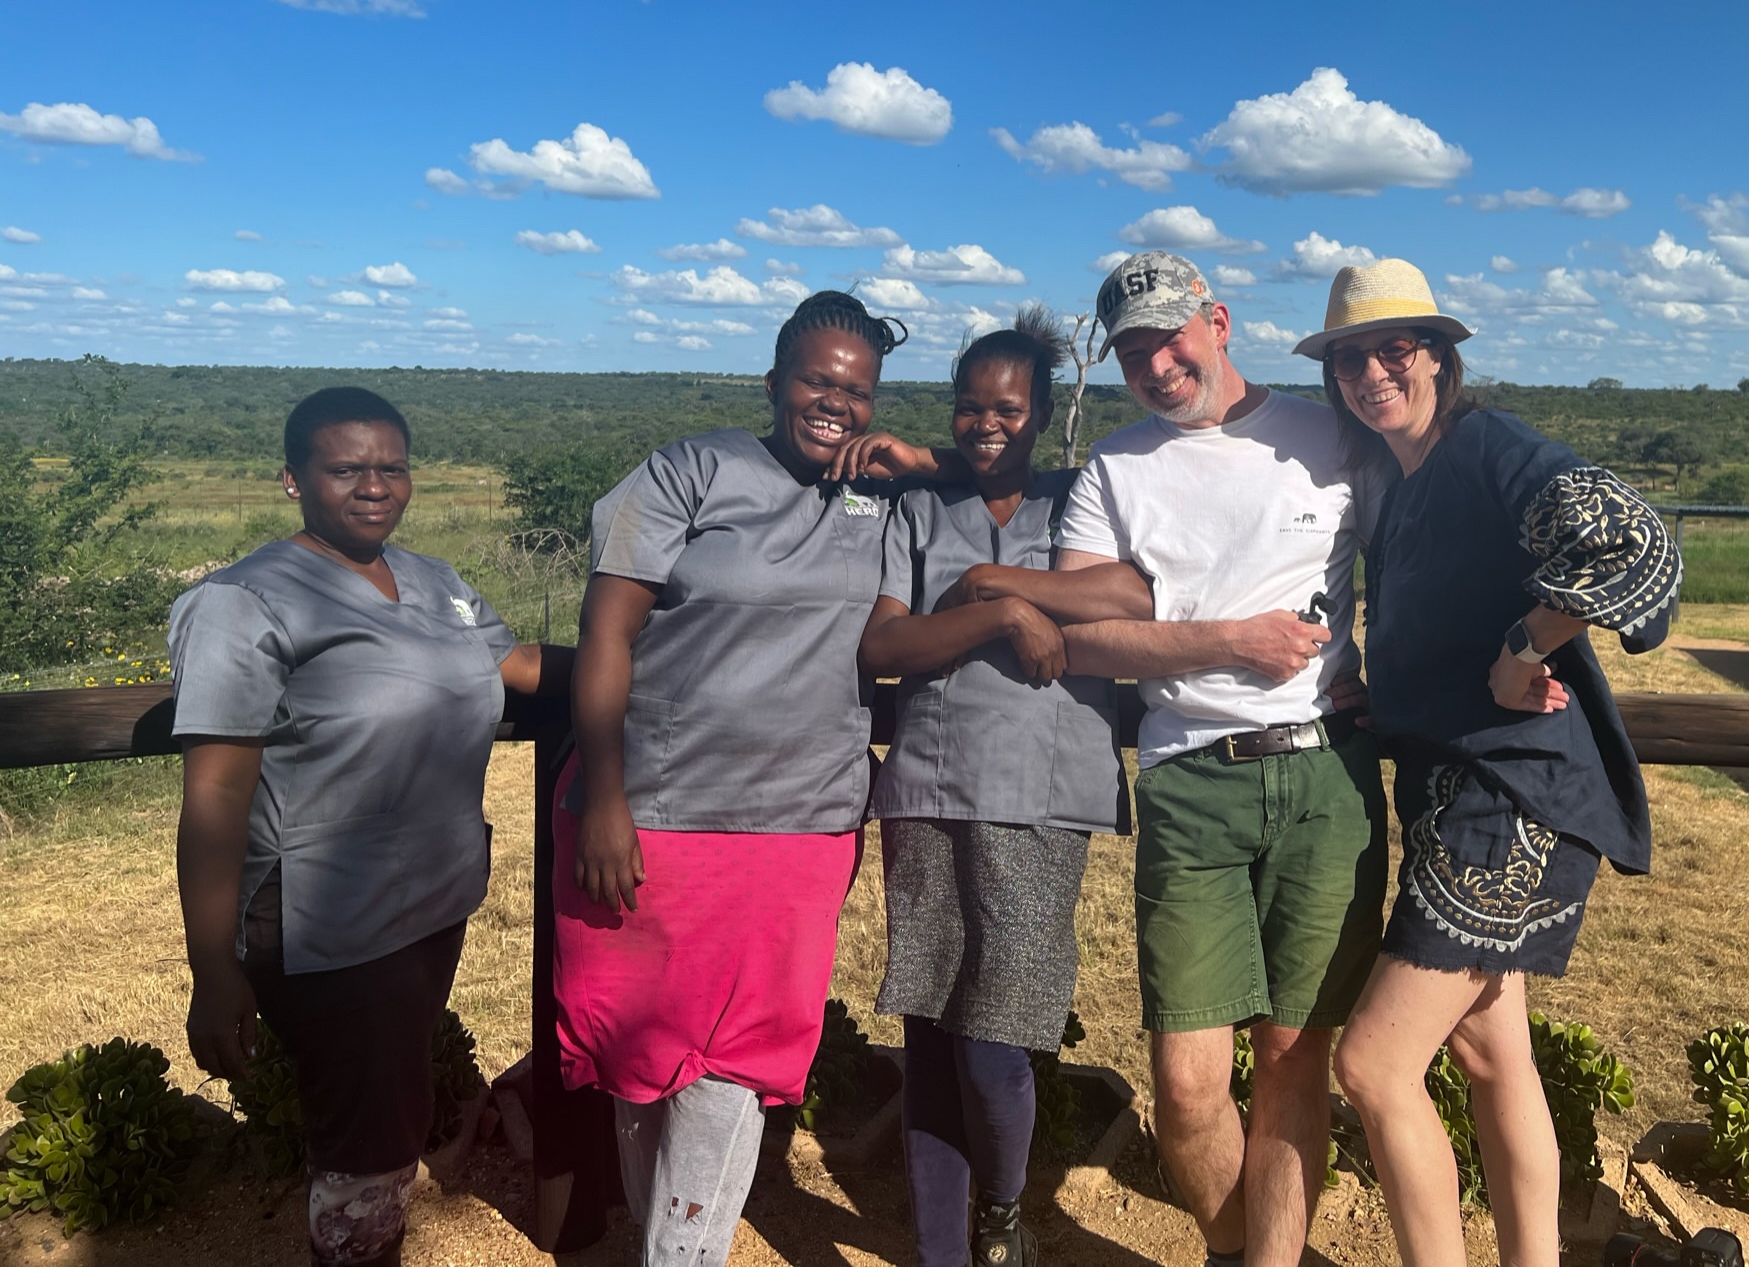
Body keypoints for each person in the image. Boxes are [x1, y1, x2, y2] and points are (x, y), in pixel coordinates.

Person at [1300, 259, 1680, 1267]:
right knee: (1489, 1051)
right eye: (1348, 359)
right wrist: (1391, 699)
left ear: (1435, 355)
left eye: (1392, 349)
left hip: (1509, 796)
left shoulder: (1485, 447)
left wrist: (1526, 645)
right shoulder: (1397, 483)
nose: (1370, 373)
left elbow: (1634, 541)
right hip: (1457, 789)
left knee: (1374, 1067)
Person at [555, 289, 915, 1267]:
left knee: (731, 1070)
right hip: (653, 818)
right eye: (816, 380)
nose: (835, 403)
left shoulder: (884, 497)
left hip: (798, 829)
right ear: (773, 382)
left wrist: (923, 462)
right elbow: (606, 633)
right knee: (638, 1064)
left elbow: (1008, 466)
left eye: (858, 390)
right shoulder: (690, 470)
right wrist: (607, 800)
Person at [172, 386, 570, 1267]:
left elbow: (514, 664)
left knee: (387, 1115)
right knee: (367, 1140)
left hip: (430, 899)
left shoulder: (432, 581)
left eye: (392, 467)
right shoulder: (244, 603)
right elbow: (216, 796)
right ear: (293, 479)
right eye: (346, 468)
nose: (374, 486)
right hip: (329, 919)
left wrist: (647, 658)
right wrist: (212, 968)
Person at [1048, 251, 1388, 1267]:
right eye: (1133, 354)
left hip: (1326, 773)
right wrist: (1228, 641)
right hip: (1190, 776)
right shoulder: (1116, 469)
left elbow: (1419, 553)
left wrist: (1404, 672)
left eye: (1170, 339)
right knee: (1188, 1084)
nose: (1157, 367)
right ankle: (1239, 1250)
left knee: (1291, 1054)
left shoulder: (1329, 434)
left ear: (1219, 322)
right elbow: (1080, 638)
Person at [856, 307, 1153, 1267]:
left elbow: (1133, 595)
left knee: (997, 1035)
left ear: (1042, 414)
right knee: (931, 1029)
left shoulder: (1080, 500)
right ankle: (943, 1247)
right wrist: (1001, 619)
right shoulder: (916, 510)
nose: (987, 424)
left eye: (1009, 408)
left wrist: (995, 584)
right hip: (928, 791)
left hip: (1041, 798)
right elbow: (884, 643)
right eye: (970, 407)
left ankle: (1002, 1210)